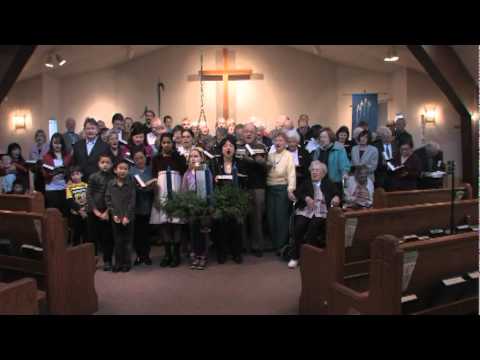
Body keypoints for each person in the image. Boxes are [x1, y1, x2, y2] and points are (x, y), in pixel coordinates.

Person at [288, 161, 340, 268]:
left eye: (317, 170)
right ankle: (295, 257)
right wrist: (306, 198)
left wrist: (336, 198)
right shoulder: (306, 182)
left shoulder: (328, 183)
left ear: (323, 173)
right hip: (306, 210)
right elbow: (298, 192)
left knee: (313, 227)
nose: (314, 172)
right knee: (298, 226)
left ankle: (311, 258)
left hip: (322, 211)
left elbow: (337, 194)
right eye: (312, 170)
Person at [150, 133, 188, 267]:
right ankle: (167, 254)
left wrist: (182, 195)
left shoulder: (179, 158)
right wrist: (155, 196)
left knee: (176, 223)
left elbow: (185, 177)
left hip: (177, 192)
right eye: (164, 142)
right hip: (162, 192)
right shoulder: (156, 159)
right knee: (164, 223)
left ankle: (176, 254)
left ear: (173, 143)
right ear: (160, 144)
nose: (166, 145)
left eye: (169, 142)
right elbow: (154, 178)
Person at [211, 135, 245, 264]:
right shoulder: (215, 162)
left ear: (235, 149)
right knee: (221, 227)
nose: (228, 148)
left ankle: (236, 253)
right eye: (225, 146)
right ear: (221, 149)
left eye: (231, 146)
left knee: (236, 226)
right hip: (220, 199)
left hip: (236, 198)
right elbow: (211, 179)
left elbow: (244, 180)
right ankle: (222, 253)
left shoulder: (240, 162)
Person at [237, 123, 268, 257]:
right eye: (246, 132)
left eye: (251, 132)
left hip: (257, 187)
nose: (248, 134)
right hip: (241, 187)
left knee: (257, 218)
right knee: (242, 218)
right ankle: (243, 246)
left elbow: (266, 166)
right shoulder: (237, 147)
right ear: (242, 134)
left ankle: (257, 246)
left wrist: (253, 161)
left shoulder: (261, 147)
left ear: (256, 134)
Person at [182, 148, 213, 270]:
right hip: (191, 206)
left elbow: (210, 188)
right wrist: (186, 203)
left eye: (196, 156)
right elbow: (183, 190)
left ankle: (203, 255)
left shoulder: (206, 171)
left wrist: (209, 204)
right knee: (193, 231)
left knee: (203, 231)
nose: (194, 158)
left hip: (203, 205)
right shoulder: (187, 173)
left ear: (201, 158)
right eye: (191, 156)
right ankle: (195, 254)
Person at [266, 132, 296, 253]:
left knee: (281, 218)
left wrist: (290, 190)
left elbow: (291, 174)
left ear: (285, 143)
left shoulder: (289, 155)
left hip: (282, 189)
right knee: (271, 217)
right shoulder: (270, 155)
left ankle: (281, 245)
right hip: (269, 189)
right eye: (276, 140)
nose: (278, 143)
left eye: (281, 140)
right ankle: (274, 243)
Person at [105, 159, 136, 273]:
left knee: (127, 242)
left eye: (125, 169)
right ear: (115, 170)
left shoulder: (130, 183)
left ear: (128, 171)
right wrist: (114, 214)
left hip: (128, 217)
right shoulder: (111, 184)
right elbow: (108, 199)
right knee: (118, 241)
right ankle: (118, 263)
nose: (123, 171)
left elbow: (132, 202)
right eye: (120, 168)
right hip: (116, 218)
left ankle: (126, 263)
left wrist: (127, 216)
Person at [87, 154, 114, 270]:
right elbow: (89, 194)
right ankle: (92, 261)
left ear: (111, 165)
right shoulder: (93, 176)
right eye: (102, 162)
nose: (105, 164)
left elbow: (113, 197)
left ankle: (107, 261)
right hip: (93, 211)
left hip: (107, 211)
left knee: (107, 237)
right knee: (92, 237)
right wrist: (95, 211)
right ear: (98, 164)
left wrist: (107, 212)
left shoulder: (114, 178)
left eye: (107, 162)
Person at [129, 149, 155, 266]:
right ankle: (139, 255)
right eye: (136, 158)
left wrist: (151, 186)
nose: (139, 160)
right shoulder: (130, 171)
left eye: (141, 158)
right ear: (133, 160)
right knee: (137, 233)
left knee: (147, 232)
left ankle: (146, 255)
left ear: (146, 158)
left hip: (149, 204)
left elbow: (156, 184)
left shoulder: (151, 169)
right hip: (136, 205)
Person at [312, 128, 351, 194]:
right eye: (321, 137)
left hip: (334, 184)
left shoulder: (339, 149)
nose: (322, 139)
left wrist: (344, 174)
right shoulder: (318, 150)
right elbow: (314, 166)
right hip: (321, 184)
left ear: (330, 138)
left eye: (324, 137)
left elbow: (344, 165)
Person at [42, 133, 72, 216]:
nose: (57, 145)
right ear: (51, 144)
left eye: (59, 143)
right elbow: (44, 174)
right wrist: (54, 172)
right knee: (54, 213)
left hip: (64, 187)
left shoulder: (67, 156)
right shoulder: (47, 156)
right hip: (51, 187)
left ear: (62, 144)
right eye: (55, 143)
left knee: (65, 212)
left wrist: (66, 171)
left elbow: (71, 171)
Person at [73, 118, 110, 182]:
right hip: (80, 182)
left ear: (97, 130)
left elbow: (107, 166)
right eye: (88, 128)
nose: (90, 131)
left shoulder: (105, 146)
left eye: (93, 128)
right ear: (84, 130)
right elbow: (74, 164)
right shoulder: (77, 145)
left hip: (98, 182)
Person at [66, 166, 88, 245]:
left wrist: (85, 209)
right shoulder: (69, 187)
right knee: (76, 233)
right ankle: (76, 250)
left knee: (86, 233)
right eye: (73, 175)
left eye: (77, 174)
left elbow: (89, 199)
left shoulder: (86, 186)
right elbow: (70, 200)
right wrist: (80, 210)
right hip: (75, 213)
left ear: (81, 174)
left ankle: (86, 250)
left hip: (86, 212)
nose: (75, 176)